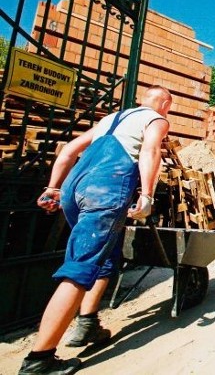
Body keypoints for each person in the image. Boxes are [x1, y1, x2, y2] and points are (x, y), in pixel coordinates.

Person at [18, 86, 172, 375]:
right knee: (81, 266)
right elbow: (150, 151)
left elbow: (68, 150)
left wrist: (53, 187)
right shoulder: (156, 119)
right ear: (163, 104)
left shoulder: (111, 119)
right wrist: (147, 196)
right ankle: (39, 359)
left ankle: (87, 324)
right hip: (106, 189)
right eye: (168, 107)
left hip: (74, 188)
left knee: (107, 255)